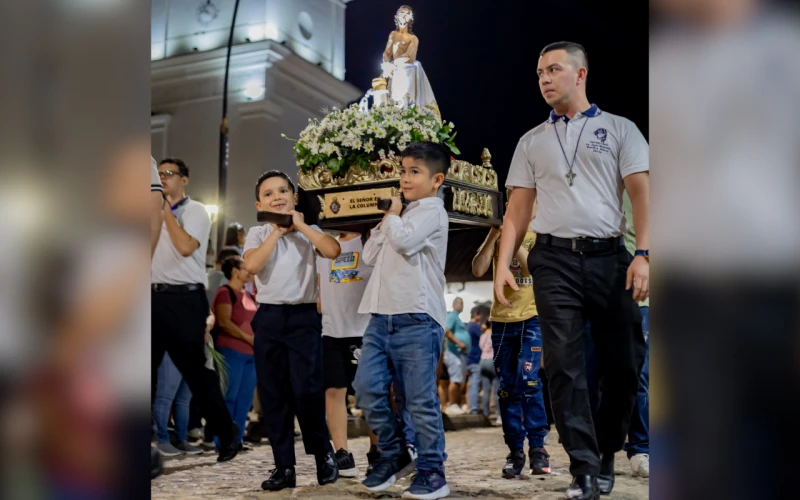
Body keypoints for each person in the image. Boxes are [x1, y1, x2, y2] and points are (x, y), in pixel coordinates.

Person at [495, 41, 648, 500]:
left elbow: (643, 194)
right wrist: (503, 263)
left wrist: (645, 253)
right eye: (540, 71)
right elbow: (516, 212)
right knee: (562, 365)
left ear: (580, 74)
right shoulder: (530, 141)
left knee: (624, 366)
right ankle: (583, 466)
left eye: (554, 69)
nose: (544, 78)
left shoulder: (620, 129)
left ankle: (604, 453)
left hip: (610, 258)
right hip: (553, 260)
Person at [353, 141, 451, 500]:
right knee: (365, 388)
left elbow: (406, 244)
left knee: (420, 400)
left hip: (416, 317)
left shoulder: (432, 211)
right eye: (403, 170)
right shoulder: (402, 215)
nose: (405, 179)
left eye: (414, 172)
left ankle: (432, 471)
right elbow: (369, 254)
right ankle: (395, 453)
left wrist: (393, 216)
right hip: (381, 316)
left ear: (436, 179)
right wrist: (390, 217)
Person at [242, 170, 342, 491]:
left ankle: (323, 455)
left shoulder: (308, 231)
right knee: (274, 394)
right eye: (269, 194)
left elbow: (332, 251)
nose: (277, 197)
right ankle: (284, 465)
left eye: (283, 191)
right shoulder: (257, 233)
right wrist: (276, 231)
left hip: (303, 319)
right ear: (259, 202)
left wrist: (298, 226)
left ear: (295, 198)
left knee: (307, 390)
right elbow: (252, 266)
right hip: (269, 318)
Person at [151, 157, 239, 463]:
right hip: (151, 297)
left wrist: (165, 213)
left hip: (185, 299)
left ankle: (226, 433)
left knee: (197, 374)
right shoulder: (147, 214)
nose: (162, 178)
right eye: (158, 174)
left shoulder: (196, 211)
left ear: (184, 179)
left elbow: (186, 247)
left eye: (168, 174)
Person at [472, 192, 550, 479]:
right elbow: (478, 268)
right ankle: (515, 450)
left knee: (530, 381)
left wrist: (512, 238)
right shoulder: (499, 234)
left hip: (532, 318)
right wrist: (494, 236)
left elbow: (534, 269)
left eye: (528, 200)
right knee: (506, 387)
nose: (517, 206)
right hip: (501, 320)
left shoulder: (541, 232)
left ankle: (539, 449)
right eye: (511, 201)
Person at [316, 231, 374, 477]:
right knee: (333, 390)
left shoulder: (368, 239)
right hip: (331, 331)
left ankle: (378, 450)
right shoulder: (322, 243)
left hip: (363, 329)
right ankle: (342, 453)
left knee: (370, 394)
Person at [211, 255, 258, 450]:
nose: (249, 270)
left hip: (251, 355)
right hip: (232, 351)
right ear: (235, 271)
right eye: (244, 267)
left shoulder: (249, 295)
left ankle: (237, 439)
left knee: (245, 398)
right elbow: (224, 322)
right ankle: (222, 439)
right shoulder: (225, 293)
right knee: (229, 396)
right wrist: (248, 338)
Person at [442, 297, 470, 414]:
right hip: (453, 352)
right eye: (460, 303)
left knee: (459, 379)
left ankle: (455, 404)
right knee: (455, 379)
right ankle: (452, 404)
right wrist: (459, 342)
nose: (462, 306)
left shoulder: (456, 317)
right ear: (455, 305)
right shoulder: (452, 316)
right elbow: (447, 330)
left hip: (459, 354)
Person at [465, 307, 485, 415]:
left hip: (469, 358)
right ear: (477, 314)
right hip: (475, 359)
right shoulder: (474, 326)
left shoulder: (468, 326)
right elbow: (483, 338)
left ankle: (472, 407)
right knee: (475, 384)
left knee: (472, 384)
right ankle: (473, 408)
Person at [477, 321, 499, 418]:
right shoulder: (496, 334)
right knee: (497, 390)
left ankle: (486, 415)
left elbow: (481, 347)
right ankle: (499, 415)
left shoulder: (483, 336)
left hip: (482, 361)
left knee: (486, 390)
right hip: (492, 361)